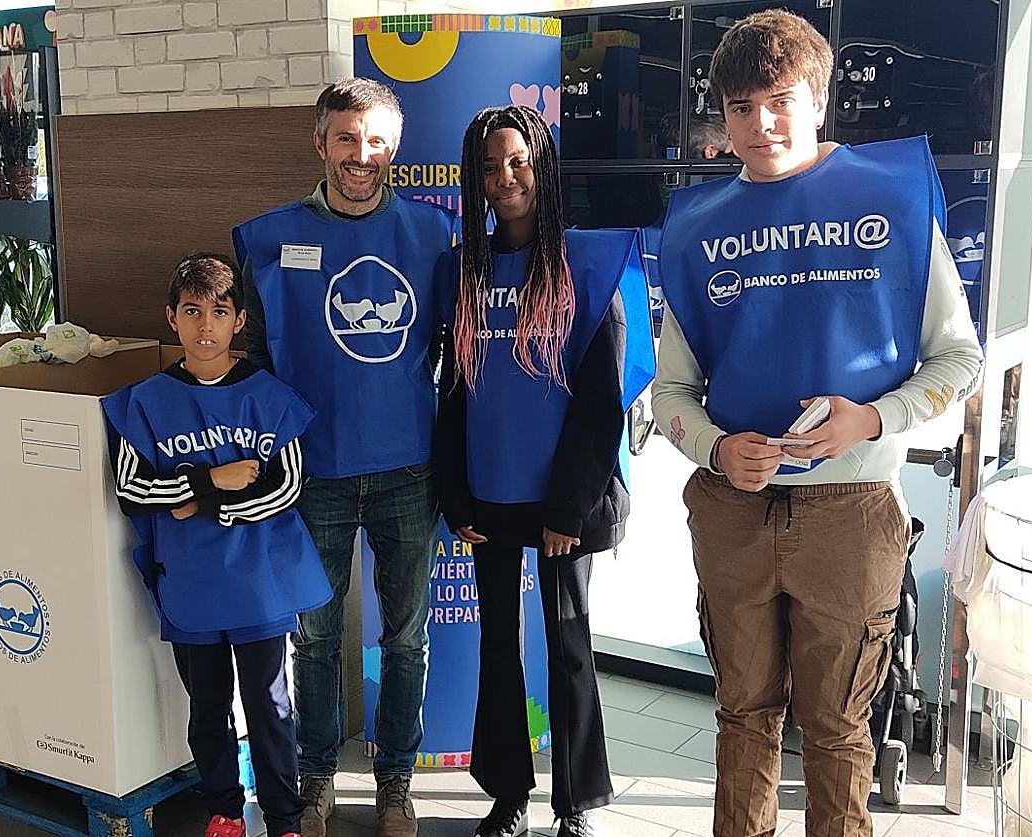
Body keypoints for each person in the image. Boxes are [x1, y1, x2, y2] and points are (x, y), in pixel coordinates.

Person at [650, 10, 984, 837]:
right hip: (732, 508)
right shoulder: (697, 230)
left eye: (778, 100)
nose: (759, 124)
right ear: (720, 116)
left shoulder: (892, 205)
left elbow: (959, 359)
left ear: (820, 100)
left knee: (839, 730)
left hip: (852, 511)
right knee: (743, 715)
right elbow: (668, 395)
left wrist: (871, 417)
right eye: (738, 106)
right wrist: (720, 446)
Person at [231, 78, 456, 837]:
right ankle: (316, 778)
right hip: (313, 474)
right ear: (320, 141)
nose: (362, 155)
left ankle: (396, 781)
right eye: (347, 138)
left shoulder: (434, 238)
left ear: (395, 147)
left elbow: (461, 357)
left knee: (405, 637)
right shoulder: (264, 238)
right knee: (316, 637)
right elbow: (254, 361)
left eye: (376, 140)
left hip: (409, 471)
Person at [437, 105, 652, 837]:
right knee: (498, 645)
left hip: (566, 497)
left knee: (568, 643)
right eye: (492, 167)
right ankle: (507, 796)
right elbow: (453, 391)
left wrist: (568, 507)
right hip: (489, 492)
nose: (506, 178)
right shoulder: (463, 271)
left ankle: (576, 803)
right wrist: (454, 489)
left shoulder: (584, 267)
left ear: (543, 166)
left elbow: (602, 402)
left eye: (519, 161)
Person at [101, 254, 333, 837]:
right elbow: (131, 487)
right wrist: (214, 479)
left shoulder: (268, 395)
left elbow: (285, 488)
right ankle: (225, 810)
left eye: (219, 313)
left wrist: (198, 504)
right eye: (192, 311)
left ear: (240, 321)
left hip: (259, 583)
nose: (206, 326)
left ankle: (283, 818)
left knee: (270, 706)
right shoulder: (146, 402)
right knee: (207, 706)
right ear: (171, 318)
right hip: (190, 581)